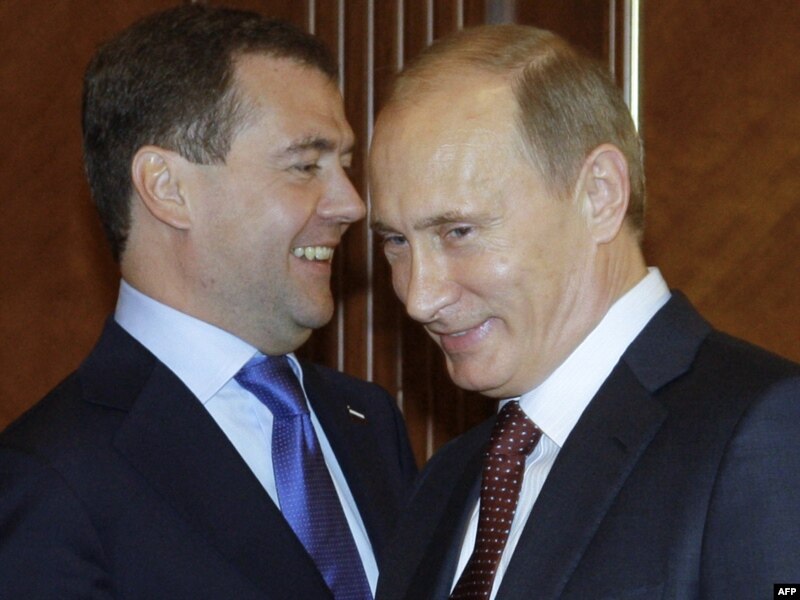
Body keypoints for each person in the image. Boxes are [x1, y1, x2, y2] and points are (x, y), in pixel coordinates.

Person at [369, 24, 800, 600]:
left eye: (459, 232)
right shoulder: (446, 481)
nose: (419, 297)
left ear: (599, 194)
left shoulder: (765, 433)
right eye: (395, 241)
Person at [0, 5, 416, 599]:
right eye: (305, 165)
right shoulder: (49, 478)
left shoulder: (370, 424)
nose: (351, 204)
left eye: (344, 167)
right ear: (168, 189)